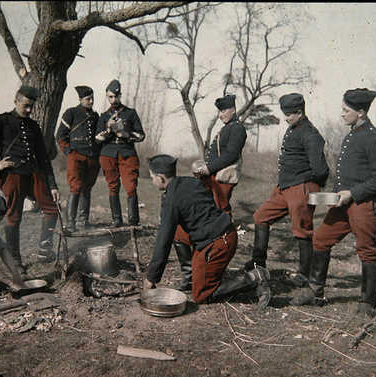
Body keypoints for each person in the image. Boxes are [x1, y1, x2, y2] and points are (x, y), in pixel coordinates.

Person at [291, 88, 376, 317]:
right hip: (344, 205)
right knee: (321, 239)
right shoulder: (352, 134)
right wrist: (335, 197)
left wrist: (352, 194)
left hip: (366, 206)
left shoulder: (375, 140)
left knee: (367, 251)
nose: (342, 114)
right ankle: (315, 290)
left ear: (361, 112)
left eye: (346, 110)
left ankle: (367, 304)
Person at [142, 154, 271, 307]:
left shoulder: (171, 200)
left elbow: (163, 241)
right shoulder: (190, 182)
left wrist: (152, 278)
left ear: (161, 178)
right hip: (225, 234)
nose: (152, 181)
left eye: (152, 177)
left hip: (218, 244)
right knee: (177, 232)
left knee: (202, 295)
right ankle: (191, 278)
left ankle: (254, 277)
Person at [245, 93, 330, 287]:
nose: (286, 118)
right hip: (284, 188)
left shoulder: (310, 134)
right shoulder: (294, 129)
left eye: (289, 114)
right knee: (260, 216)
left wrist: (308, 188)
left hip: (301, 187)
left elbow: (320, 169)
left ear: (299, 112)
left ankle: (304, 274)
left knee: (302, 231)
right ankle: (258, 263)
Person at [0, 85, 60, 265]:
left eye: (31, 106)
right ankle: (15, 261)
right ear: (15, 101)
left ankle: (44, 250)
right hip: (12, 176)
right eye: (25, 105)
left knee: (52, 209)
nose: (28, 110)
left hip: (33, 174)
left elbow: (43, 159)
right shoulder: (1, 121)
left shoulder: (34, 126)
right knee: (13, 216)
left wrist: (52, 185)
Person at [173, 94, 247, 292]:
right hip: (211, 179)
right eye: (220, 111)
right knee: (188, 226)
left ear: (233, 109)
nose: (221, 114)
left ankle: (213, 269)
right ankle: (189, 276)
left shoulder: (238, 129)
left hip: (221, 180)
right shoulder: (227, 128)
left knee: (218, 221)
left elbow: (231, 155)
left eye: (224, 110)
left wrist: (209, 168)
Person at [95, 79, 145, 227]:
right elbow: (97, 138)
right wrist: (109, 129)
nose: (114, 99)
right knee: (113, 186)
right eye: (110, 97)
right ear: (107, 97)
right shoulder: (104, 116)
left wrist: (126, 134)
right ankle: (116, 219)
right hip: (108, 154)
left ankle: (133, 221)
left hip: (127, 153)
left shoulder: (131, 113)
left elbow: (141, 135)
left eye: (116, 96)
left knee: (130, 186)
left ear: (120, 95)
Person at [56, 85, 100, 231]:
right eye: (88, 99)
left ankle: (83, 221)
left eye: (92, 98)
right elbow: (60, 136)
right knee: (75, 188)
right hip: (76, 157)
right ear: (80, 99)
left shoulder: (95, 116)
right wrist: (69, 152)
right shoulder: (71, 113)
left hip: (92, 158)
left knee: (87, 188)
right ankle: (70, 223)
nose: (91, 101)